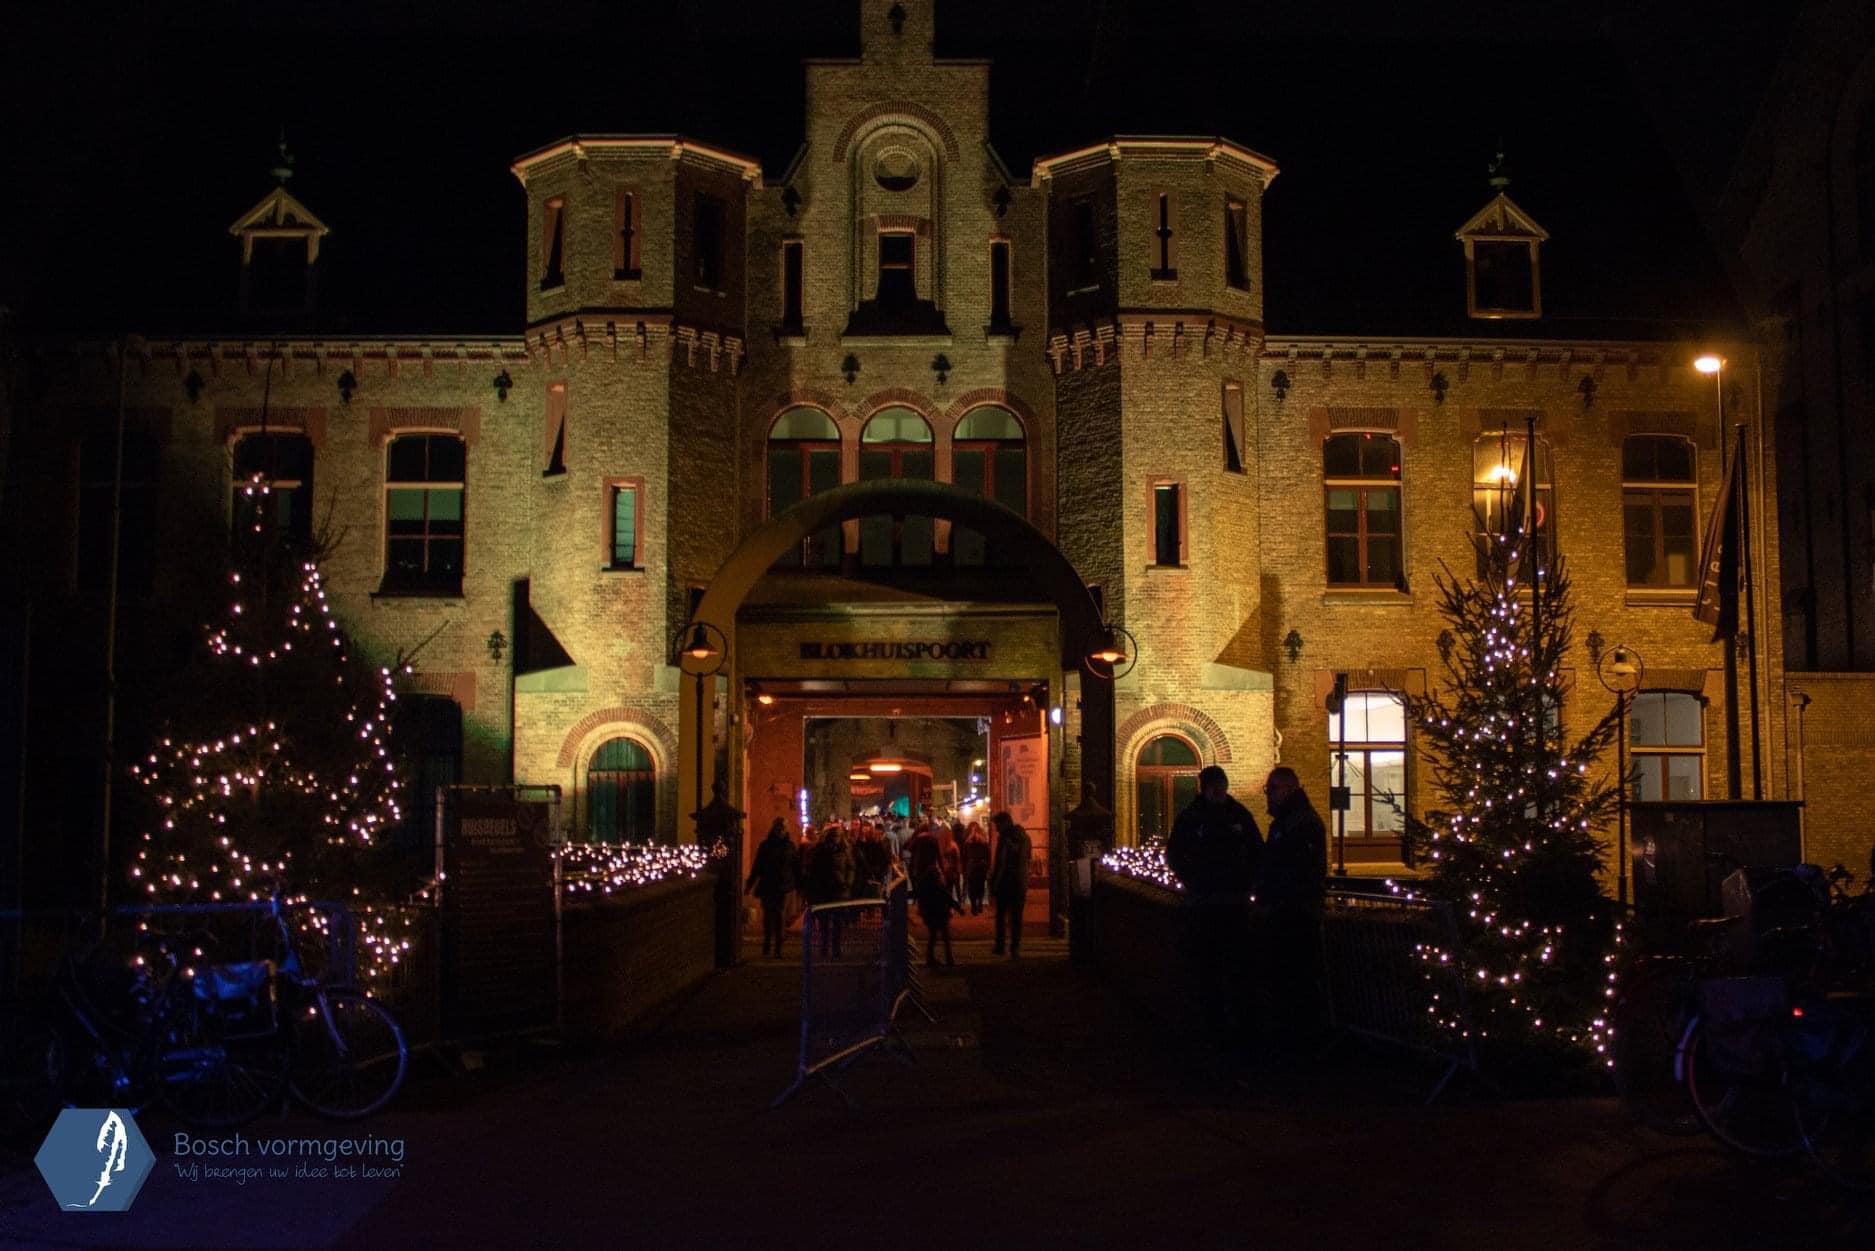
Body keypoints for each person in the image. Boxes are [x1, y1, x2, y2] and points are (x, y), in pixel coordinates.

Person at [1164, 764, 1263, 1070]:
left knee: (1233, 970)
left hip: (1231, 904)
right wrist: (1193, 879)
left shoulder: (1238, 816)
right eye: (1214, 788)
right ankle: (1211, 1029)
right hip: (1206, 904)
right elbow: (1175, 854)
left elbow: (1257, 851)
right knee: (1206, 971)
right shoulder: (1193, 818)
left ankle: (1233, 1032)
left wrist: (1246, 881)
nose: (1219, 792)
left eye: (1222, 787)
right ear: (1204, 788)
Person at [1257, 766, 1329, 1057]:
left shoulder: (1301, 824)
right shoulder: (1287, 823)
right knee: (1286, 981)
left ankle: (1299, 1046)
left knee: (1296, 981)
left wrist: (1277, 896)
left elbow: (1299, 870)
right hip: (1286, 913)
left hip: (1295, 916)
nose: (1268, 796)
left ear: (1287, 789)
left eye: (1271, 790)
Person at [744, 818, 799, 958]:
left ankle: (778, 947)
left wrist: (799, 883)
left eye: (782, 828)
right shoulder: (766, 846)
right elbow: (758, 866)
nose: (780, 830)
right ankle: (768, 942)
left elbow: (796, 866)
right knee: (768, 916)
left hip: (783, 885)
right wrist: (750, 883)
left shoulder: (789, 846)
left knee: (780, 915)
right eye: (778, 828)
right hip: (769, 884)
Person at [805, 820, 855, 957]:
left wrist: (847, 882)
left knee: (838, 922)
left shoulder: (845, 851)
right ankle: (825, 946)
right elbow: (813, 869)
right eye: (834, 837)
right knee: (825, 921)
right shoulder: (820, 850)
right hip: (824, 890)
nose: (836, 840)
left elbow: (851, 868)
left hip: (840, 890)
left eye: (838, 837)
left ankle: (836, 947)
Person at [989, 811, 1032, 957]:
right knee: (1016, 917)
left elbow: (1001, 863)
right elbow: (1028, 859)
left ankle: (1001, 946)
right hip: (1020, 881)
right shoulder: (1025, 838)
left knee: (1001, 915)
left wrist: (994, 883)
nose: (996, 829)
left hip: (1006, 882)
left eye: (997, 825)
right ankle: (1015, 947)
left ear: (1004, 823)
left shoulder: (1004, 839)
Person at [962, 821, 991, 915]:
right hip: (981, 867)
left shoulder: (967, 842)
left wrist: (964, 869)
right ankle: (979, 904)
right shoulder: (984, 842)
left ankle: (974, 906)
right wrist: (987, 866)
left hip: (971, 867)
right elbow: (988, 856)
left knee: (972, 888)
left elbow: (964, 856)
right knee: (980, 887)